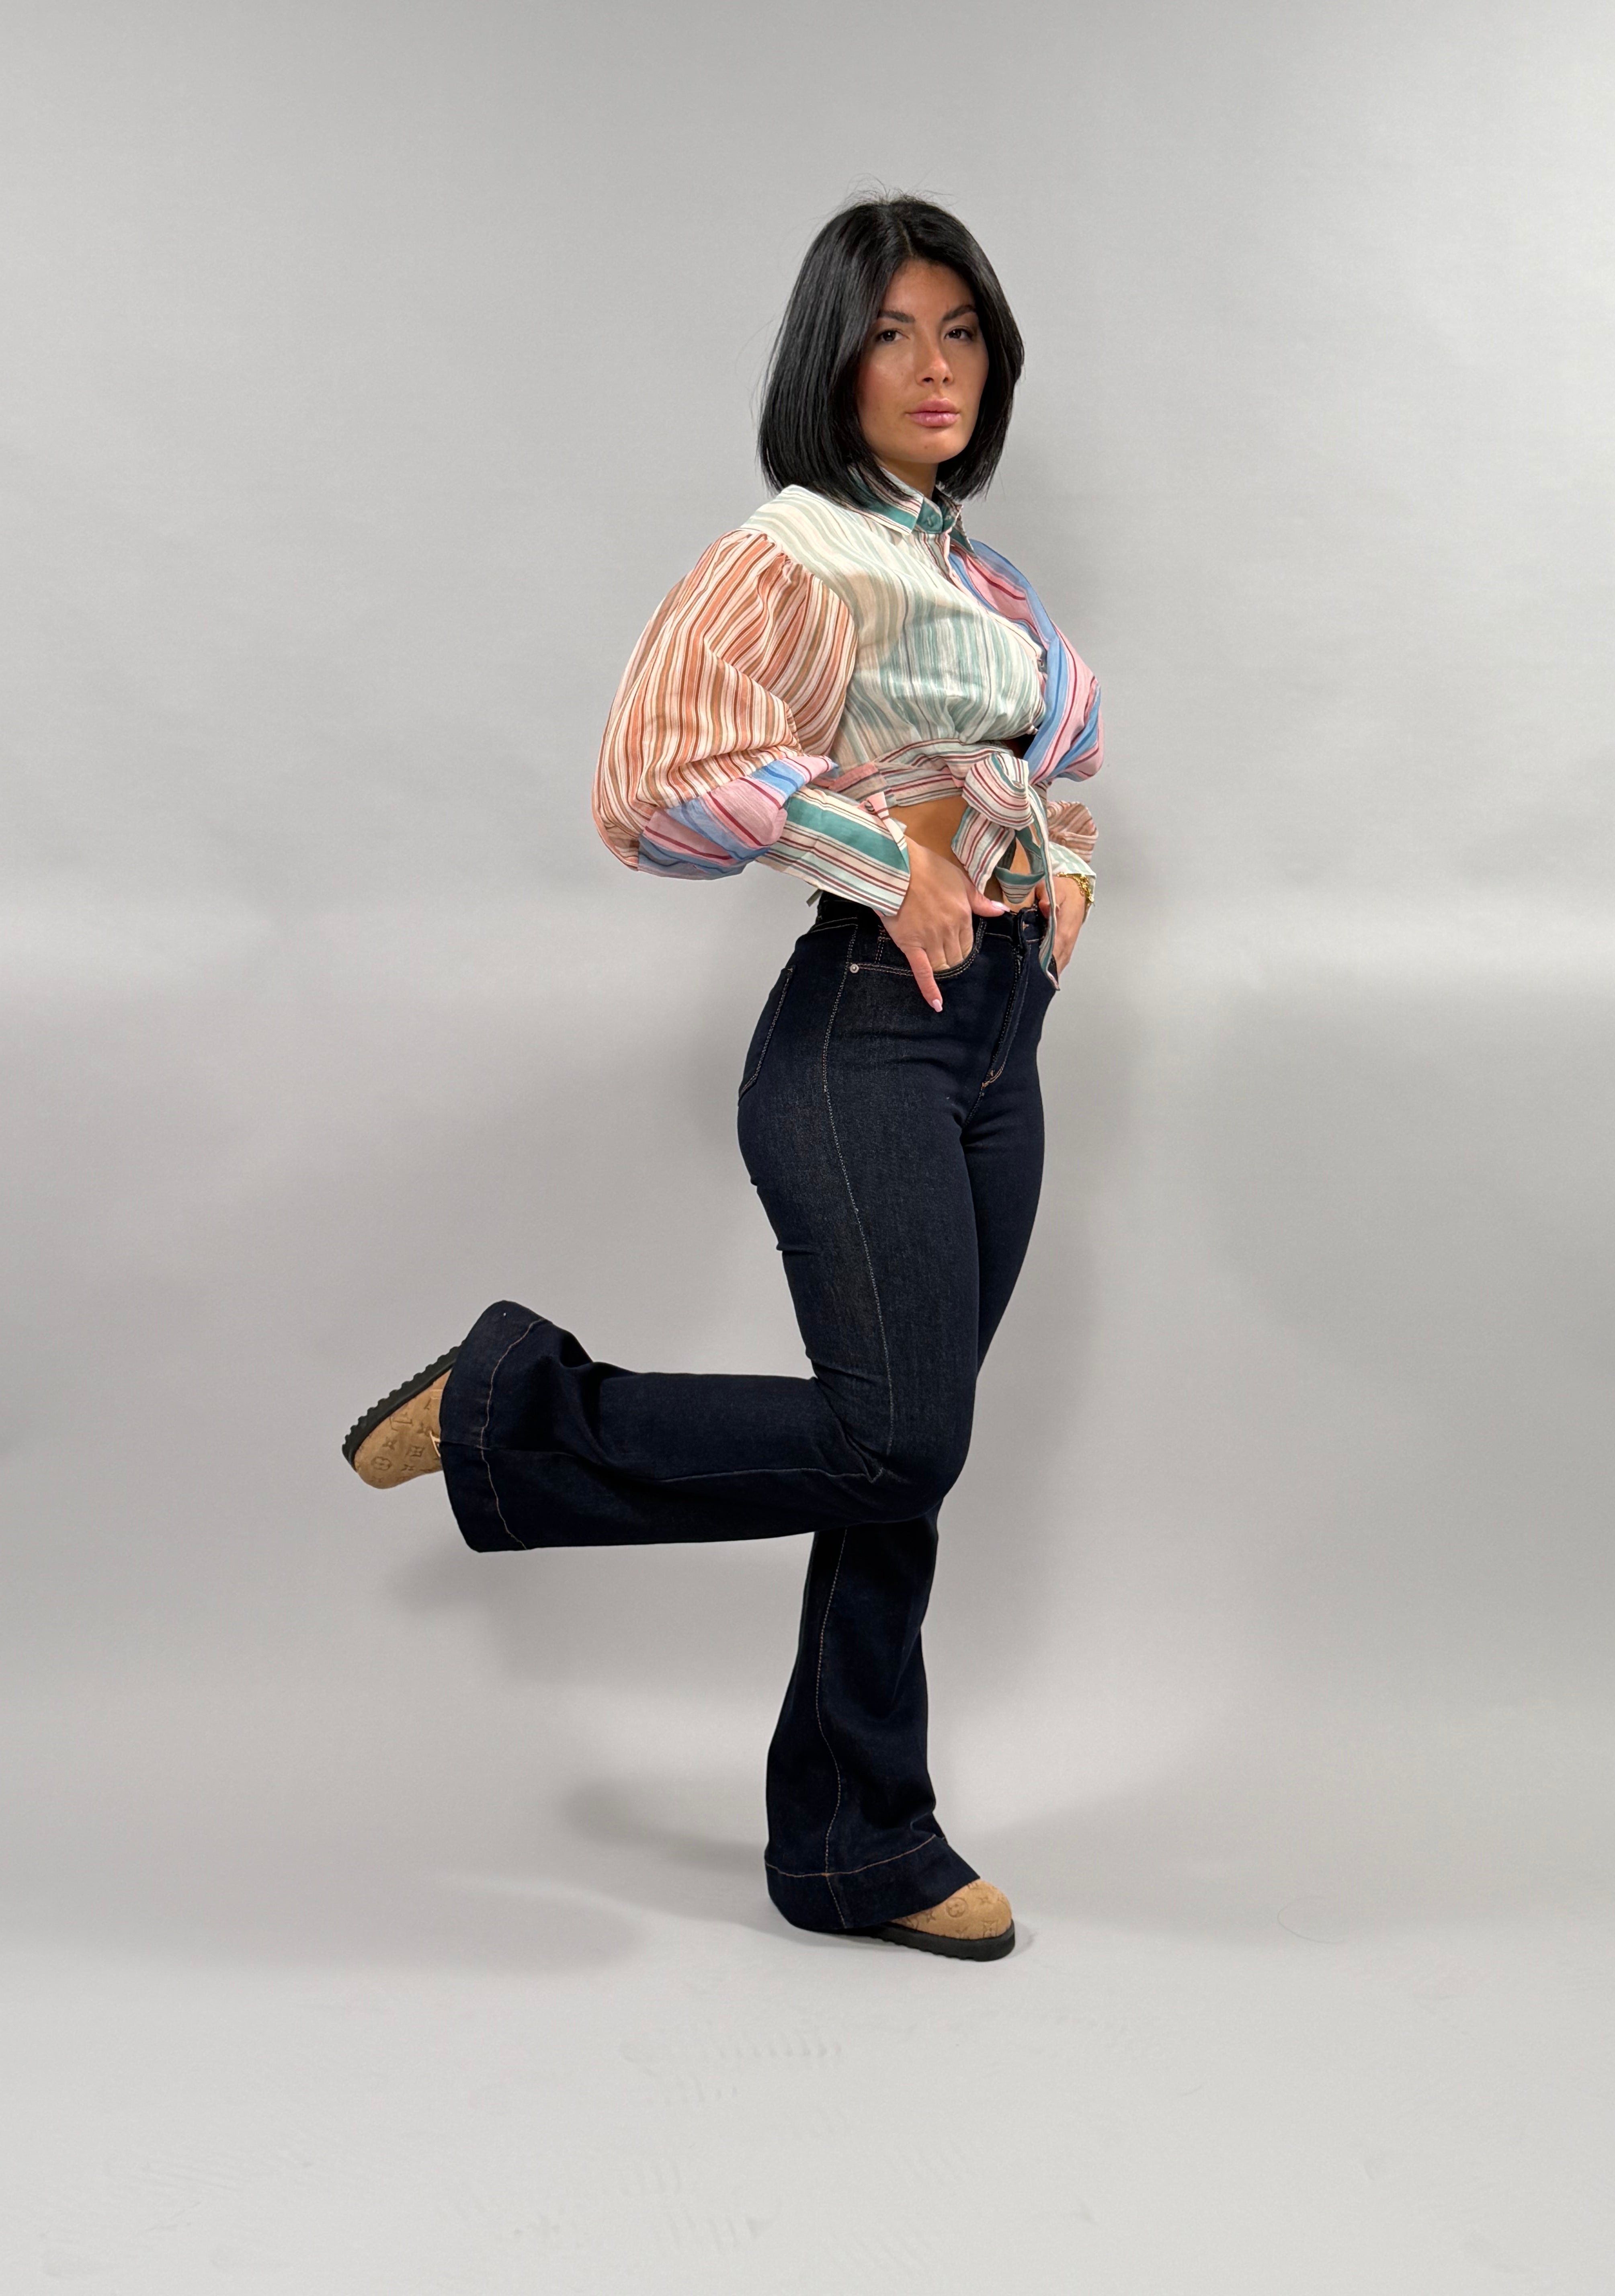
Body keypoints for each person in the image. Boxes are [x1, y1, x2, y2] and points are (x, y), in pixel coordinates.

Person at [341, 195, 1103, 1962]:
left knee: (899, 1470)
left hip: (997, 1043)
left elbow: (1035, 763)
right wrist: (880, 859)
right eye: (894, 332)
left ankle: (855, 1841)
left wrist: (1059, 871)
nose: (934, 368)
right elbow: (652, 776)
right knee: (896, 1432)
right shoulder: (797, 550)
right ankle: (511, 1410)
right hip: (866, 1034)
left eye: (961, 333)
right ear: (830, 358)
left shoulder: (977, 571)